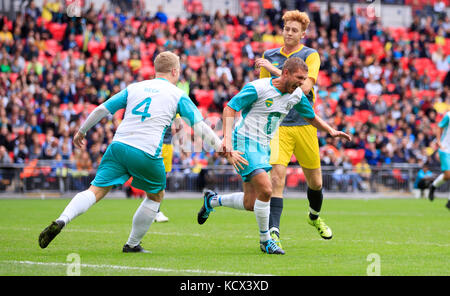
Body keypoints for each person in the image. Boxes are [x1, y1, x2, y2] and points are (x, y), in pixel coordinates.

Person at [38, 51, 247, 252]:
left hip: (118, 146)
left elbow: (102, 109)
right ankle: (132, 244)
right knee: (156, 196)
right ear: (175, 72)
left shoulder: (134, 88)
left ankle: (62, 219)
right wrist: (222, 149)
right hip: (146, 151)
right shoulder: (177, 95)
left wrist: (81, 130)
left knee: (95, 191)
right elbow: (200, 127)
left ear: (156, 70)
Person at [197, 57, 351, 255]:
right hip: (244, 141)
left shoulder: (295, 94)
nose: (302, 83)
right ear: (285, 73)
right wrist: (226, 139)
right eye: (299, 77)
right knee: (267, 190)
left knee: (251, 203)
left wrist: (330, 130)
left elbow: (310, 116)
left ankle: (212, 200)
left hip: (263, 145)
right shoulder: (258, 88)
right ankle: (266, 241)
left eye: (304, 79)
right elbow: (230, 108)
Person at [254, 10, 330, 246]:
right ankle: (273, 232)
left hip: (305, 124)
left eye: (294, 30)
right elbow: (264, 87)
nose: (289, 33)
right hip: (279, 125)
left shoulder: (310, 55)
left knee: (315, 183)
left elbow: (303, 88)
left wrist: (275, 70)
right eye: (286, 28)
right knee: (276, 177)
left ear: (302, 34)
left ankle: (314, 217)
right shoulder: (270, 55)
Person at [428, 108, 450, 210]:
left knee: (447, 176)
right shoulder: (448, 116)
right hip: (445, 149)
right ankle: (433, 186)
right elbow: (439, 127)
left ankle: (449, 201)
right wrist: (438, 142)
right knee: (448, 175)